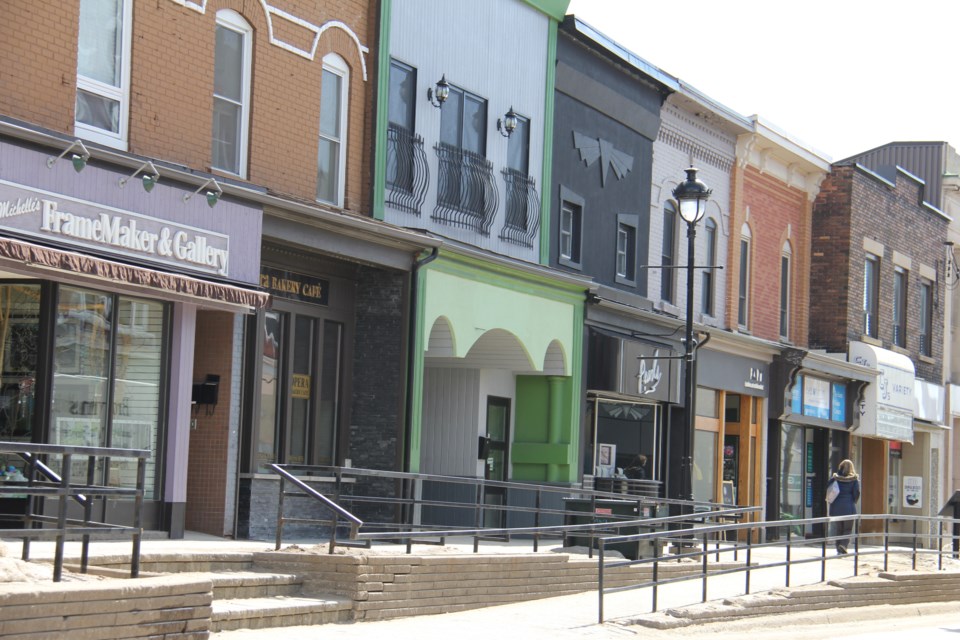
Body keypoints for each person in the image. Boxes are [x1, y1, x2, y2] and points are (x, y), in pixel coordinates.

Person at [828, 459, 860, 554]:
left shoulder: (835, 478)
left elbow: (828, 489)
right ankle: (843, 545)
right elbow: (856, 493)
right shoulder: (854, 480)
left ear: (840, 466)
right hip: (849, 507)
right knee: (847, 529)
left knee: (839, 528)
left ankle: (838, 547)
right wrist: (853, 500)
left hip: (836, 508)